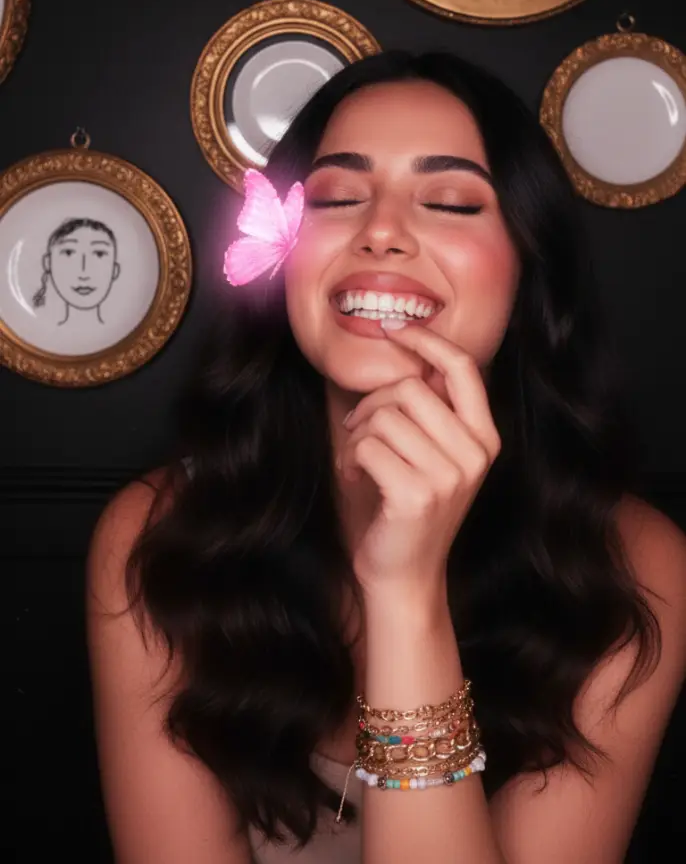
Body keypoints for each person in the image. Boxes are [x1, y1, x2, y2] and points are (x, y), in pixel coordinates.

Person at [86, 50, 686, 864]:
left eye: (447, 200)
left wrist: (406, 596)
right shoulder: (155, 540)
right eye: (337, 196)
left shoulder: (640, 568)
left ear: (527, 271)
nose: (380, 232)